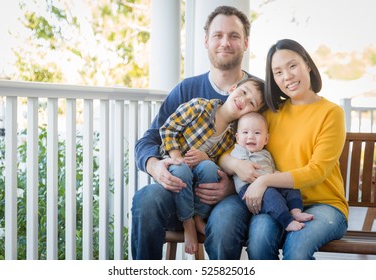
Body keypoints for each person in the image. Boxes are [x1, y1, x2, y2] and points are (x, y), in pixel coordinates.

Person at [132, 6, 261, 259]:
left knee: (224, 227)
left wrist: (231, 189)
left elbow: (268, 156)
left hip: (229, 196)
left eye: (234, 36)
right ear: (206, 40)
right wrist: (155, 167)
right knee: (146, 201)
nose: (225, 42)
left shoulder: (257, 96)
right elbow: (149, 139)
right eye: (218, 35)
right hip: (180, 186)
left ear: (245, 42)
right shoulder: (186, 91)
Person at [220, 38, 349, 260]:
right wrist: (235, 164)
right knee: (259, 240)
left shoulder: (331, 113)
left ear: (307, 64)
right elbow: (229, 151)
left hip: (325, 204)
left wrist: (265, 180)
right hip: (278, 201)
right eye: (278, 72)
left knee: (296, 249)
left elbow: (317, 171)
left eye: (292, 66)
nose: (287, 77)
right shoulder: (270, 114)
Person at [159, 77, 265, 254]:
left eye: (251, 103)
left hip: (199, 176)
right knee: (182, 170)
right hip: (176, 166)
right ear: (232, 89)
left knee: (209, 168)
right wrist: (177, 157)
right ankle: (188, 223)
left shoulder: (234, 136)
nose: (243, 100)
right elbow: (168, 129)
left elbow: (219, 165)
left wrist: (206, 157)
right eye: (243, 92)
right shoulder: (199, 107)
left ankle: (199, 217)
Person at [231, 112, 313, 232]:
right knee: (271, 196)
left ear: (266, 139)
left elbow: (270, 168)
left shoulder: (266, 153)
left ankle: (296, 211)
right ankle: (287, 221)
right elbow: (231, 166)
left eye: (257, 133)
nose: (251, 137)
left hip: (268, 182)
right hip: (249, 188)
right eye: (245, 132)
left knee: (290, 186)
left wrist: (276, 174)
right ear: (237, 138)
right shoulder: (238, 151)